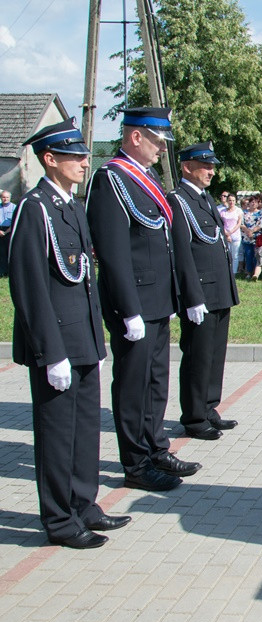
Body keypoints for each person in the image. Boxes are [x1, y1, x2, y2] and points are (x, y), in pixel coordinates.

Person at [9, 120, 130, 549]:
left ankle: (84, 504)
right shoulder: (35, 208)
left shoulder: (72, 207)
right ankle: (59, 519)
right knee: (57, 434)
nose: (84, 162)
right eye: (75, 155)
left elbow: (84, 279)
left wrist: (97, 341)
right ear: (50, 160)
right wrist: (50, 352)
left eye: (84, 155)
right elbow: (28, 287)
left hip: (82, 338)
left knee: (84, 430)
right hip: (56, 344)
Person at [86, 106, 200, 492]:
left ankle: (155, 448)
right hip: (134, 301)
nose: (160, 150)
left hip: (157, 299)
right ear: (136, 137)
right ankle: (136, 463)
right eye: (155, 141)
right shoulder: (111, 180)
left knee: (155, 380)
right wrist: (128, 309)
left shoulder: (144, 178)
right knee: (133, 386)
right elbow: (114, 252)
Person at [168, 142, 240, 442]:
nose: (212, 171)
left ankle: (209, 407)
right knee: (197, 355)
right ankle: (194, 416)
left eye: (212, 166)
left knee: (214, 354)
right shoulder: (178, 200)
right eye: (205, 165)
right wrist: (191, 295)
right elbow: (182, 251)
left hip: (218, 289)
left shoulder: (204, 198)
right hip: (200, 291)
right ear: (187, 167)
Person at [219, 193, 243, 276]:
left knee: (235, 255)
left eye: (233, 200)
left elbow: (239, 223)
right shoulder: (222, 211)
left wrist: (230, 232)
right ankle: (226, 271)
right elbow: (220, 223)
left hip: (235, 235)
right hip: (225, 235)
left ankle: (234, 272)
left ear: (235, 201)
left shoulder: (238, 210)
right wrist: (226, 234)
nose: (231, 202)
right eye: (230, 200)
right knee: (226, 254)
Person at [240, 195, 261, 276]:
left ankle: (255, 273)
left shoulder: (260, 213)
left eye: (255, 202)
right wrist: (248, 231)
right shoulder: (244, 212)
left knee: (256, 256)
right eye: (252, 202)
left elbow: (260, 225)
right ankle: (248, 272)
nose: (253, 204)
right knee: (248, 255)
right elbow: (241, 224)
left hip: (256, 238)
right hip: (246, 237)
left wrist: (252, 231)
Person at [0, 189, 15, 277]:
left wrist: (5, 232)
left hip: (9, 231)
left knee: (10, 252)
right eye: (3, 197)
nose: (5, 199)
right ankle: (2, 272)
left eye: (7, 197)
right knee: (1, 253)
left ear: (10, 198)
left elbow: (14, 222)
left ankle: (10, 272)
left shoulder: (14, 207)